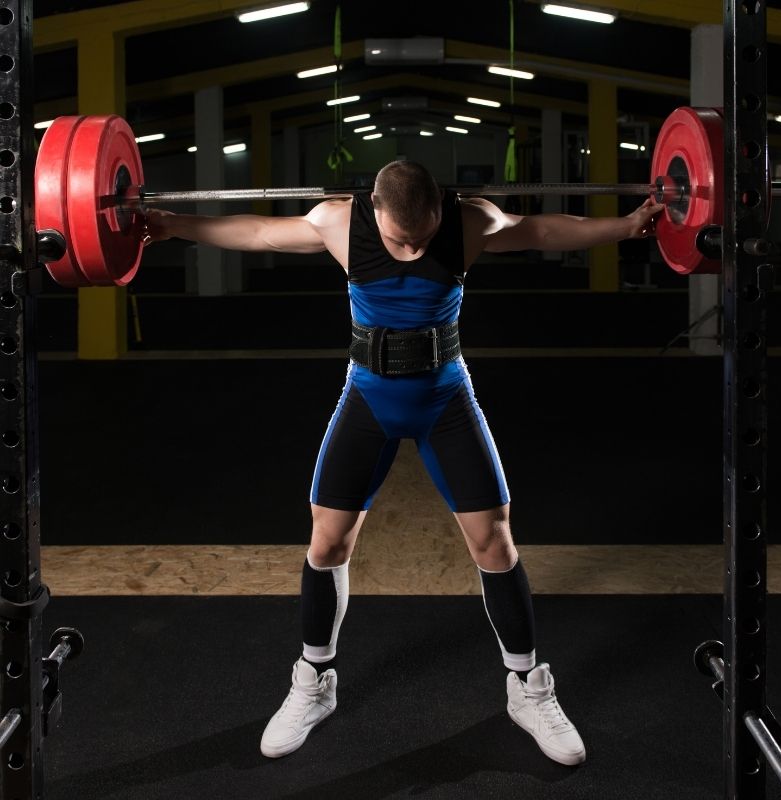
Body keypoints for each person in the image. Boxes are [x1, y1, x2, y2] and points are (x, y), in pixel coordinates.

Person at [145, 160, 663, 767]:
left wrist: (627, 228)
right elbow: (257, 231)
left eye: (423, 235)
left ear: (441, 209)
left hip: (447, 398)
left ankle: (527, 689)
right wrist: (174, 223)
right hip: (367, 398)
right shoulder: (339, 221)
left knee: (494, 543)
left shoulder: (471, 220)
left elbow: (546, 230)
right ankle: (314, 682)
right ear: (376, 211)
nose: (414, 247)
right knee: (327, 542)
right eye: (399, 239)